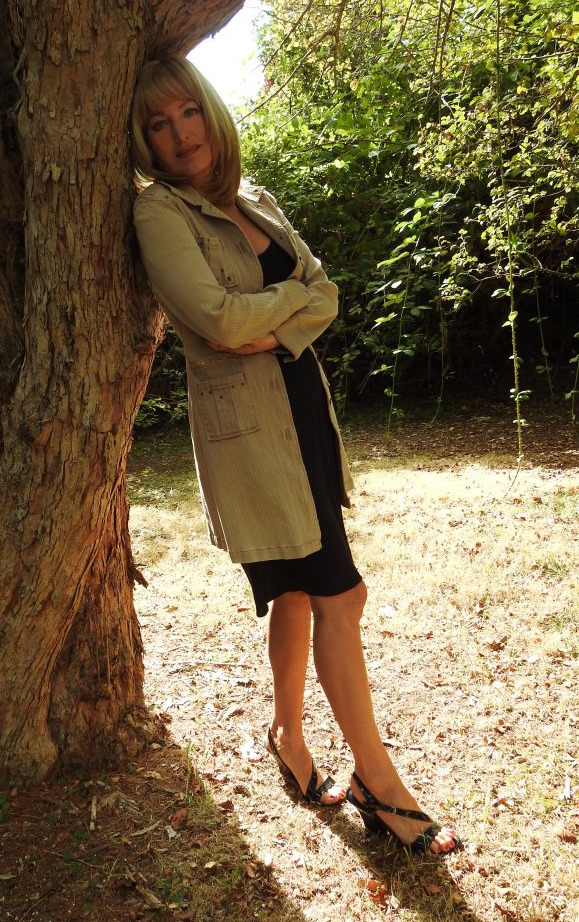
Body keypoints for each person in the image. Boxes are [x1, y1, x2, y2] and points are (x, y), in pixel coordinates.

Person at [130, 56, 460, 855]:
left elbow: (327, 292)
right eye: (159, 125)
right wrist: (284, 313)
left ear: (210, 111)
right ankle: (380, 786)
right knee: (341, 595)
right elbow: (216, 320)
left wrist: (266, 324)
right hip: (252, 436)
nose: (181, 135)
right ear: (145, 141)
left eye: (188, 112)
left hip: (301, 411)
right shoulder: (159, 212)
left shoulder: (254, 198)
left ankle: (287, 735)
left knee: (301, 593)